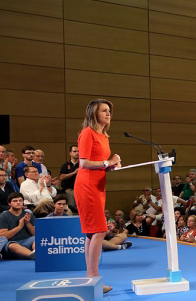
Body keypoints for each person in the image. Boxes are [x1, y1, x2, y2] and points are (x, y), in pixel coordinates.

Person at [73, 99, 121, 294]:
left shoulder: (104, 136)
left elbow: (100, 164)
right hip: (87, 186)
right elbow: (84, 163)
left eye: (109, 110)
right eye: (104, 110)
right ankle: (92, 278)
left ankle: (90, 278)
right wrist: (107, 161)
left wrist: (110, 166)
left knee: (93, 232)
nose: (108, 113)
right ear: (94, 113)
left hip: (99, 186)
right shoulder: (87, 133)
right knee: (100, 230)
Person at [0, 192, 35, 260]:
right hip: (11, 242)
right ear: (9, 203)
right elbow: (1, 237)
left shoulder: (28, 214)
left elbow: (35, 233)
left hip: (27, 240)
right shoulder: (3, 216)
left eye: (20, 200)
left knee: (37, 239)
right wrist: (19, 227)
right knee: (12, 246)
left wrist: (27, 223)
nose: (18, 202)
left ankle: (38, 252)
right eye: (15, 201)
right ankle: (32, 255)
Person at [59, 145, 79, 211]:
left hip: (81, 190)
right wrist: (73, 173)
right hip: (69, 190)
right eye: (75, 151)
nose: (77, 153)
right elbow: (62, 177)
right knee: (71, 209)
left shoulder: (82, 164)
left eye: (78, 151)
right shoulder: (66, 165)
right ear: (70, 153)